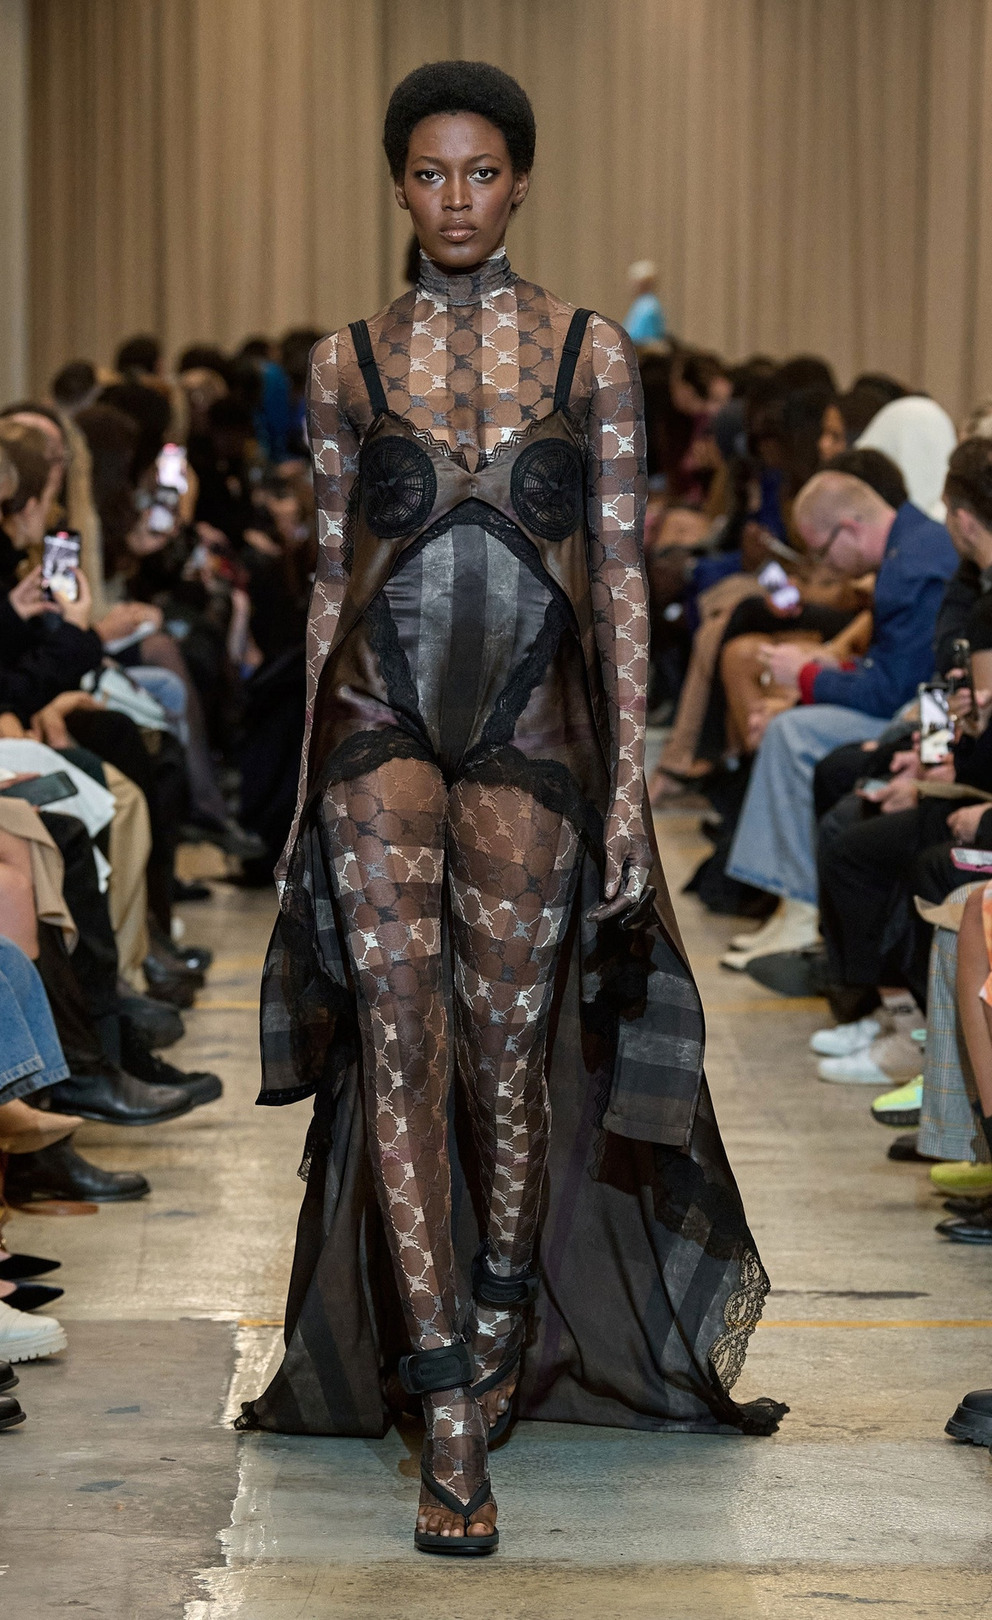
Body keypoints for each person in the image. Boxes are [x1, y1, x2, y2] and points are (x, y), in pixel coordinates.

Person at [236, 60, 784, 1557]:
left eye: (482, 172)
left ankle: (495, 1306)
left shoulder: (595, 354)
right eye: (431, 173)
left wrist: (632, 794)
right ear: (398, 185)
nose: (457, 198)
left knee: (505, 1051)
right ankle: (449, 1406)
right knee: (399, 1037)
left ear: (522, 181)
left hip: (536, 722)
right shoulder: (345, 364)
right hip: (376, 715)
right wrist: (298, 800)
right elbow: (326, 585)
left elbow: (622, 581)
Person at [724, 469, 957, 956]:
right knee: (786, 721)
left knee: (790, 733)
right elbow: (896, 668)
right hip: (925, 706)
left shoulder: (911, 565)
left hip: (924, 715)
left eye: (823, 552)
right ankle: (789, 902)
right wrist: (827, 671)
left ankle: (799, 904)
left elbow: (894, 690)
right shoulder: (911, 547)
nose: (826, 566)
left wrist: (808, 677)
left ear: (849, 528)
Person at [623, 259, 666, 342]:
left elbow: (645, 339)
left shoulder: (648, 307)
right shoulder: (642, 303)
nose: (630, 285)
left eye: (634, 282)